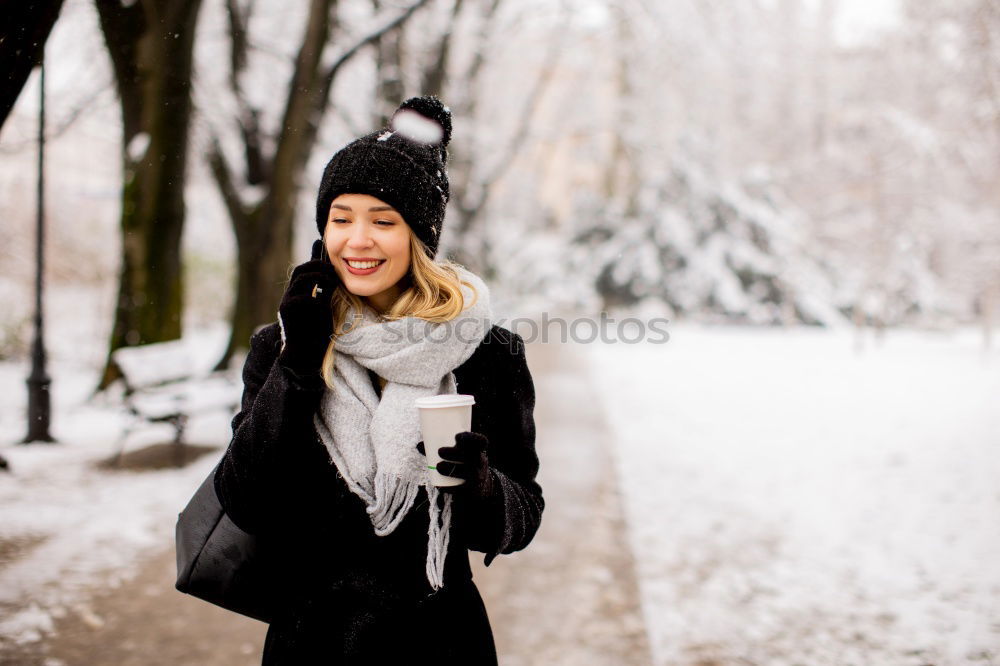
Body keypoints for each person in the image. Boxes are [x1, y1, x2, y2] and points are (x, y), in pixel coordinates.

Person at [213, 96, 544, 665]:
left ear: (419, 237)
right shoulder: (284, 344)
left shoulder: (488, 354)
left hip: (440, 644)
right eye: (340, 218)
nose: (356, 241)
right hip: (311, 644)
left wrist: (481, 486)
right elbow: (246, 499)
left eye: (382, 221)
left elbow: (521, 520)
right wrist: (299, 363)